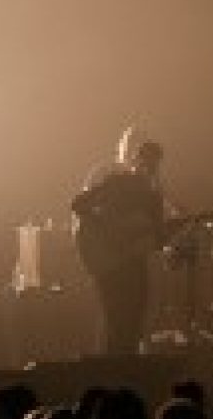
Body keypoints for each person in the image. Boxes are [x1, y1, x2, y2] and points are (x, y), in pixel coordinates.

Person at [71, 139, 170, 355]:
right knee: (116, 322)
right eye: (145, 162)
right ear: (135, 161)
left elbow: (159, 237)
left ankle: (127, 371)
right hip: (108, 263)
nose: (148, 169)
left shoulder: (153, 197)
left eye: (153, 164)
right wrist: (109, 231)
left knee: (135, 320)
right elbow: (78, 204)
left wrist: (161, 237)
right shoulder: (116, 184)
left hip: (133, 262)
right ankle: (111, 374)